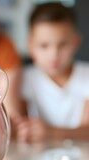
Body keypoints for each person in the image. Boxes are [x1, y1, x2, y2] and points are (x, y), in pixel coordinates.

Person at [15, 2, 89, 143]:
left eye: (62, 44)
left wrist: (52, 132)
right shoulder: (24, 78)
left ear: (76, 42)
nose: (54, 54)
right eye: (44, 46)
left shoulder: (87, 76)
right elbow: (21, 126)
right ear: (30, 46)